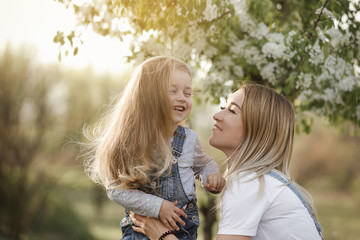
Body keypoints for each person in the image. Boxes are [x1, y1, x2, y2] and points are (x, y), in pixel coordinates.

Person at [130, 83, 323, 240]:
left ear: (257, 128)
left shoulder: (251, 183)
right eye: (223, 107)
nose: (217, 115)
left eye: (231, 111)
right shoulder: (262, 180)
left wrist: (162, 235)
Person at [83, 56, 226, 240]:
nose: (181, 98)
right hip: (141, 232)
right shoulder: (131, 141)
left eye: (187, 93)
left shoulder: (190, 139)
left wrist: (211, 175)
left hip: (184, 231)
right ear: (149, 96)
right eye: (173, 91)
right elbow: (115, 189)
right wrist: (157, 207)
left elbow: (204, 164)